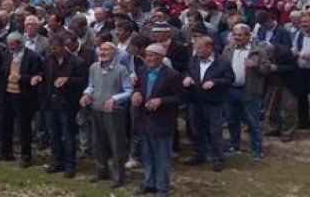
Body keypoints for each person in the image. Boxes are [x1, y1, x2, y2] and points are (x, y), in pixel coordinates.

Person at [132, 43, 183, 196]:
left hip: (162, 121)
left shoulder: (171, 75)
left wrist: (161, 100)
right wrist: (136, 93)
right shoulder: (142, 71)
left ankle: (162, 188)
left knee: (162, 157)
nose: (148, 59)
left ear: (160, 57)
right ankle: (150, 183)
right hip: (144, 119)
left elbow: (180, 97)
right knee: (147, 155)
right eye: (147, 55)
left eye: (151, 55)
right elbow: (138, 87)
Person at [80, 41, 133, 188]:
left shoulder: (121, 70)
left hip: (114, 112)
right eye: (101, 50)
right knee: (98, 142)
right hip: (96, 108)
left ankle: (119, 176)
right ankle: (102, 171)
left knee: (116, 144)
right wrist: (86, 94)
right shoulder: (94, 67)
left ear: (114, 53)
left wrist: (114, 99)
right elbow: (92, 85)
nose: (103, 53)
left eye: (106, 50)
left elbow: (129, 91)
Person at [182, 35, 233, 172]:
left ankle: (218, 158)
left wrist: (215, 82)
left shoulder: (222, 62)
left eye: (199, 48)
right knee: (196, 130)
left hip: (213, 102)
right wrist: (187, 77)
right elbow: (187, 71)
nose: (197, 51)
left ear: (209, 47)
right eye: (195, 48)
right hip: (196, 100)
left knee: (214, 131)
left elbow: (229, 79)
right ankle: (199, 154)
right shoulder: (194, 60)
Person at [222, 23, 270, 161]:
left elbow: (267, 69)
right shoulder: (228, 49)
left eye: (240, 35)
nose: (237, 38)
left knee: (252, 122)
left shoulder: (258, 51)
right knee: (232, 120)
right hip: (231, 90)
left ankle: (257, 150)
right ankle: (235, 145)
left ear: (248, 36)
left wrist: (255, 65)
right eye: (235, 35)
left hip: (250, 91)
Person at [41, 33, 87, 179]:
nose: (53, 51)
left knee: (67, 135)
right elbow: (45, 77)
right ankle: (57, 161)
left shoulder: (77, 61)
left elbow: (83, 81)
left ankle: (70, 164)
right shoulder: (49, 60)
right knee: (54, 134)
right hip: (51, 102)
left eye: (55, 48)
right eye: (51, 48)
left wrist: (68, 80)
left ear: (63, 47)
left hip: (67, 103)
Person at [0, 31, 43, 167]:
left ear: (20, 44)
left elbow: (37, 75)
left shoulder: (32, 57)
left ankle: (25, 155)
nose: (10, 47)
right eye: (8, 44)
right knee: (4, 123)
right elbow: (2, 70)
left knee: (24, 126)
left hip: (23, 96)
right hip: (7, 93)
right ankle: (5, 151)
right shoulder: (6, 55)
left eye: (13, 45)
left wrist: (22, 78)